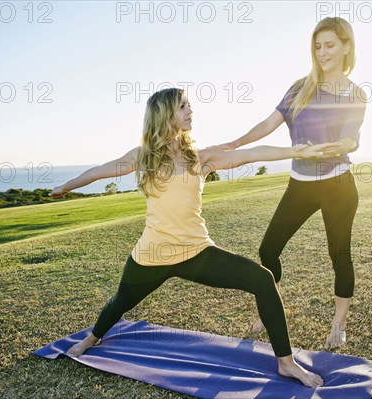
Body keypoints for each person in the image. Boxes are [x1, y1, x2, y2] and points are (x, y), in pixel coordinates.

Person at [49, 88, 330, 387]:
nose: (190, 111)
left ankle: (286, 364)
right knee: (121, 302)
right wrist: (68, 186)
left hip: (196, 252)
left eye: (189, 105)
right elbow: (100, 171)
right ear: (164, 115)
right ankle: (92, 338)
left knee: (262, 280)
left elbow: (249, 154)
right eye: (183, 106)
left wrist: (297, 151)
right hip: (152, 255)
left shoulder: (198, 157)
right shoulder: (143, 157)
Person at [213, 17, 367, 350]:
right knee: (269, 248)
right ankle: (272, 308)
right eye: (317, 46)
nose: (322, 52)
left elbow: (351, 140)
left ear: (346, 46)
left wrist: (335, 147)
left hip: (338, 183)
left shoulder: (355, 94)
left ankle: (339, 324)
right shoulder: (300, 87)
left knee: (339, 253)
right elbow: (269, 123)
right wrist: (236, 143)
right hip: (300, 184)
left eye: (329, 45)